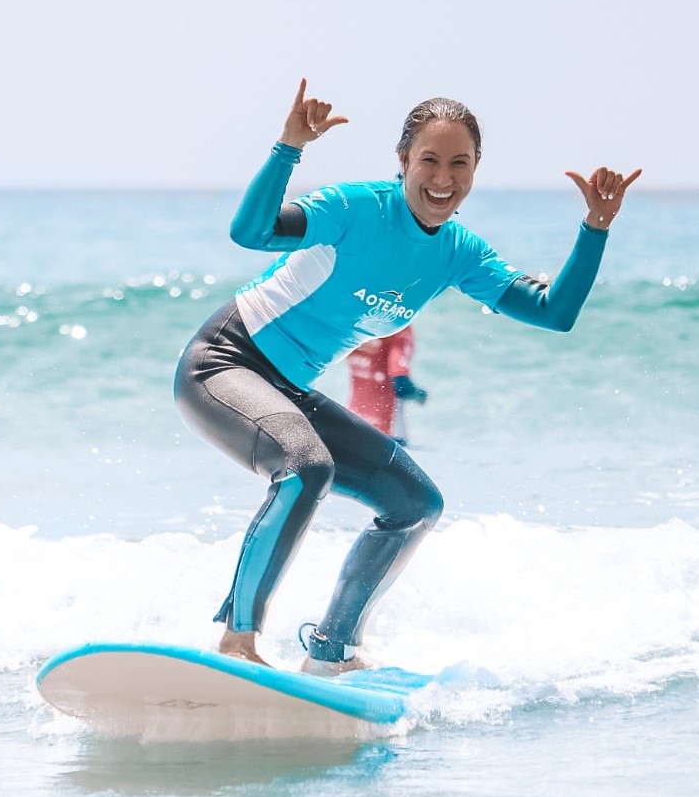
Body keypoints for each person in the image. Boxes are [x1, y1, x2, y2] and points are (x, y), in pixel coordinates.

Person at [173, 79, 639, 675]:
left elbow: (555, 313)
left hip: (289, 389)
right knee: (304, 469)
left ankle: (333, 652)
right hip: (225, 361)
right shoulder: (356, 208)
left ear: (475, 170)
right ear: (403, 160)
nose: (443, 178)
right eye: (429, 160)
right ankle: (237, 642)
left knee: (414, 503)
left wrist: (595, 228)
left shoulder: (460, 252)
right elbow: (251, 232)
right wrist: (289, 148)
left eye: (459, 163)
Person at [346, 326, 428, 446]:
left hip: (359, 424)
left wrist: (401, 376)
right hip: (379, 429)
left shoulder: (358, 322)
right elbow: (401, 383)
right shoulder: (397, 324)